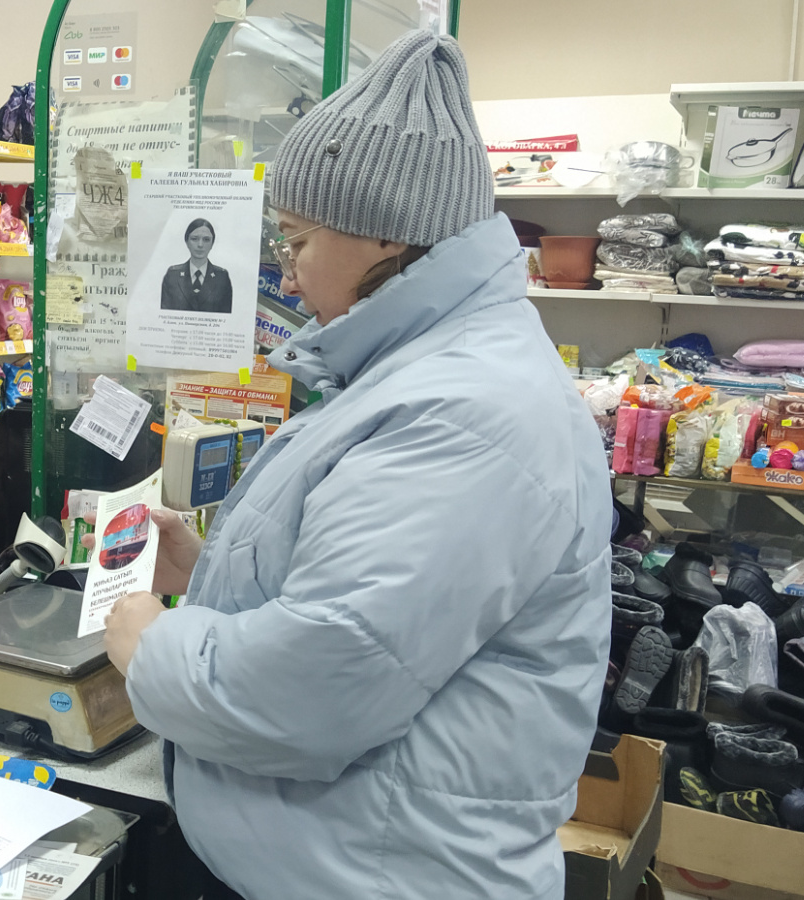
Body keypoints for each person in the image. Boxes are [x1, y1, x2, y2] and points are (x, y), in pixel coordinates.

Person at [100, 31, 610, 900]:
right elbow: (383, 610)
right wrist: (214, 569)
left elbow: (315, 687)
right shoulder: (428, 368)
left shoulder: (465, 413)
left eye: (296, 241)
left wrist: (152, 644)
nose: (288, 275)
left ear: (381, 234)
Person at [160, 218, 233, 314]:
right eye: (194, 239)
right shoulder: (173, 275)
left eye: (206, 240)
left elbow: (226, 317)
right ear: (186, 242)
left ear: (212, 244)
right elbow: (165, 315)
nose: (200, 245)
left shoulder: (222, 277)